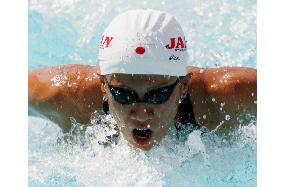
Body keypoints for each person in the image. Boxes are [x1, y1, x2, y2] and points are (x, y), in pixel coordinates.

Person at [28, 9, 256, 150]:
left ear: (183, 87)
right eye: (123, 95)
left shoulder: (223, 97)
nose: (141, 113)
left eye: (158, 95)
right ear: (103, 86)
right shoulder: (67, 96)